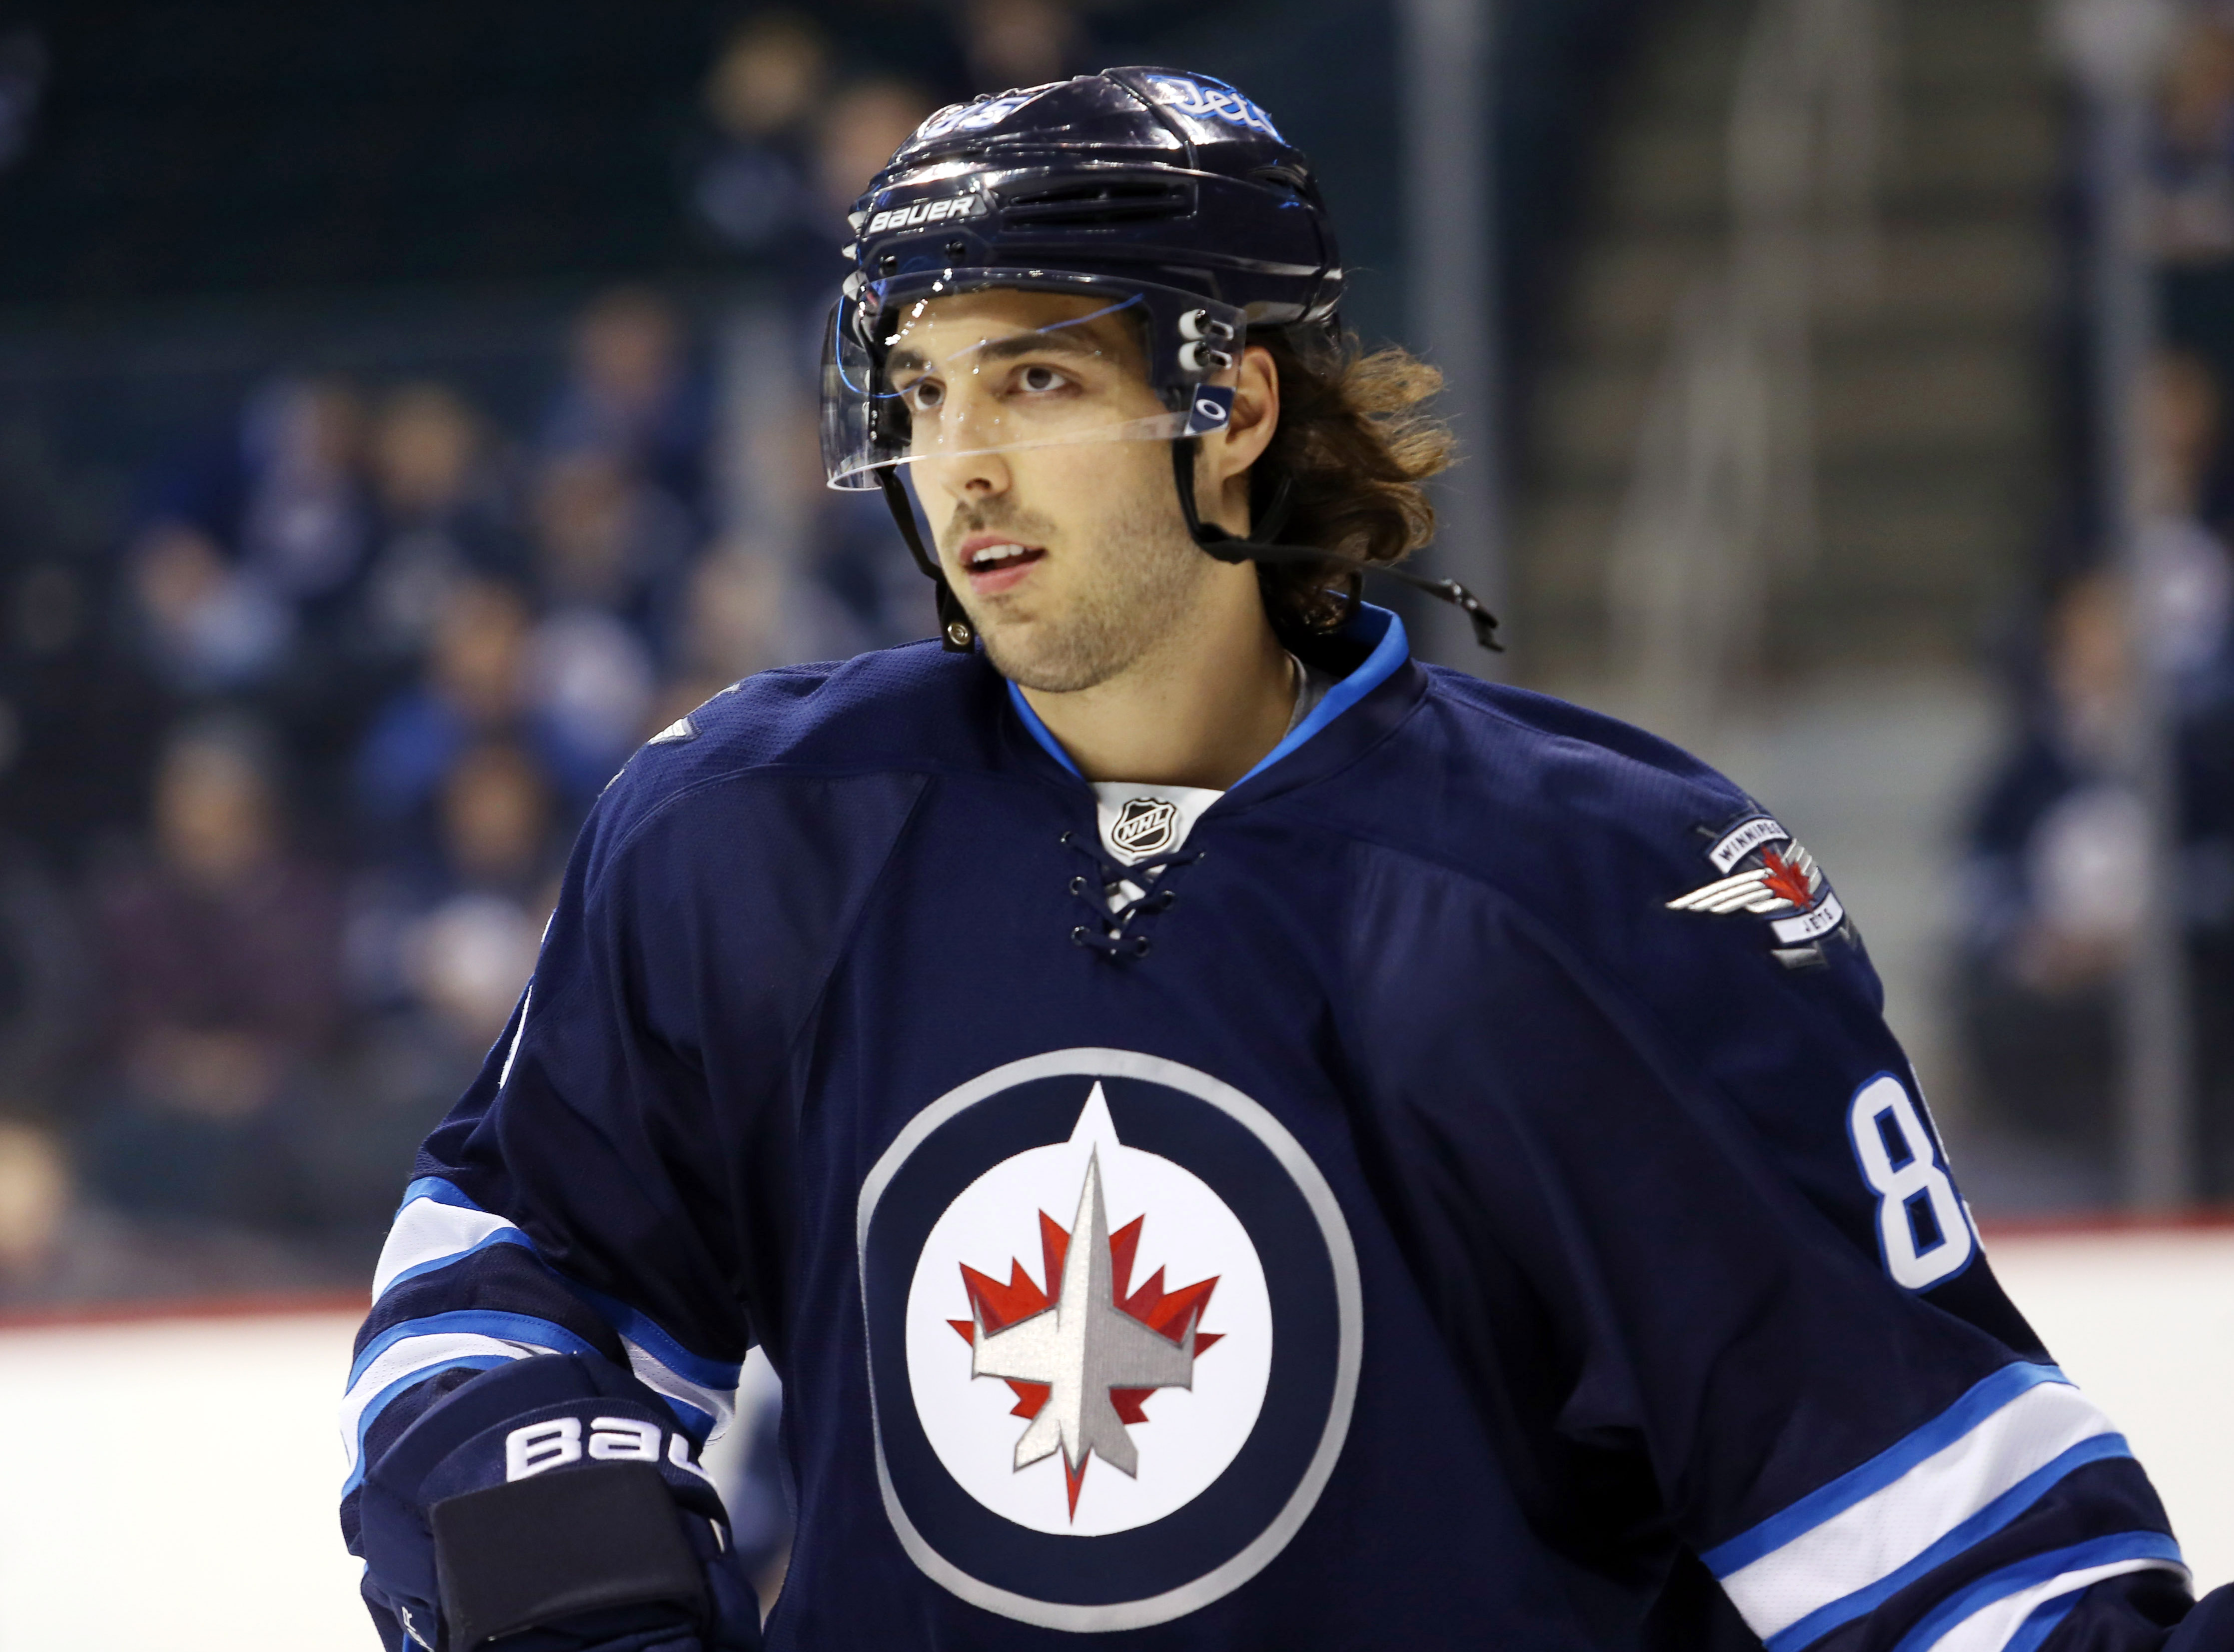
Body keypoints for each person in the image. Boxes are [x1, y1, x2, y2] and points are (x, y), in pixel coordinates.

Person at [342, 70, 2230, 1652]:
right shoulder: (756, 836)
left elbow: (1939, 1542)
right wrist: (577, 1593)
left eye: (1036, 383)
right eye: (921, 396)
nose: (962, 464)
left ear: (1235, 406)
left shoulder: (1599, 892)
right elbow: (521, 1260)